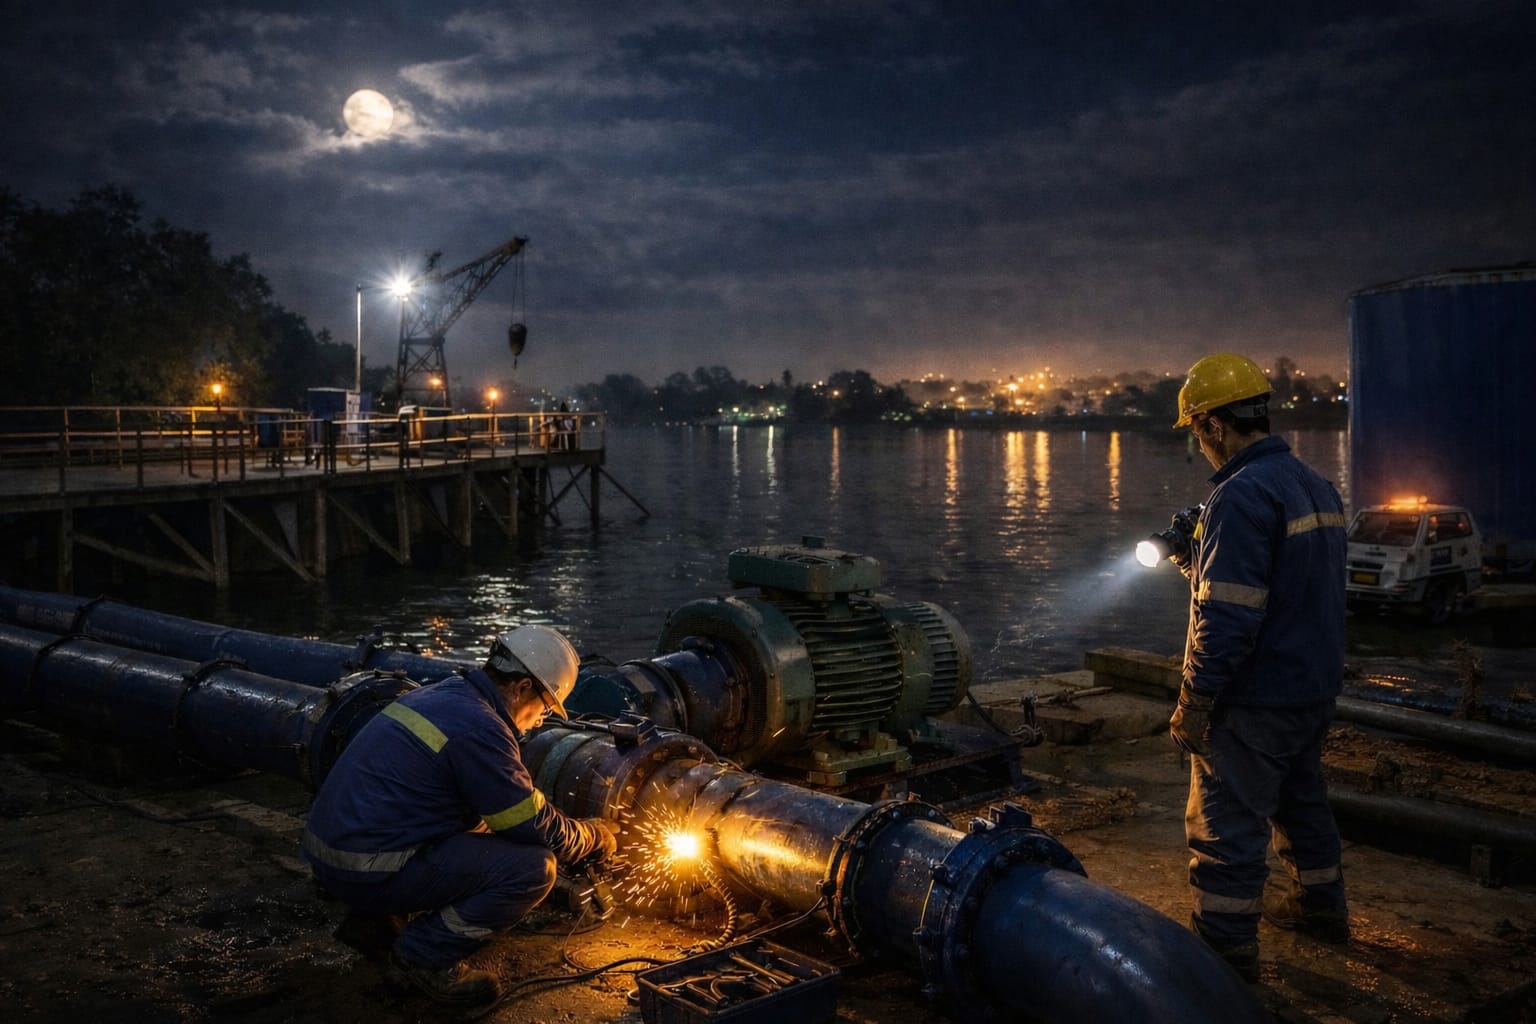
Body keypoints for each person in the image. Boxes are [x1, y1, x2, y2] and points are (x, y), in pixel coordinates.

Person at [300, 626, 619, 1008]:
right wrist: (593, 837)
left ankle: (374, 921)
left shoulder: (444, 694)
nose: (539, 721)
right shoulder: (480, 728)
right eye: (545, 708)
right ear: (520, 688)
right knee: (533, 869)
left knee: (482, 829)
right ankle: (422, 955)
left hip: (331, 854)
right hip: (364, 868)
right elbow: (533, 825)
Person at [1166, 352, 1351, 983]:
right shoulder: (1316, 485)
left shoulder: (1238, 496)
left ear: (1215, 425)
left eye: (1197, 432)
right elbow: (1282, 593)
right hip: (1311, 690)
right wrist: (1193, 561)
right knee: (1302, 804)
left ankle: (1224, 952)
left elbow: (1227, 618)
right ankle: (1323, 909)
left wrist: (1193, 702)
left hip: (1254, 699)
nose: (1200, 446)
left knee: (1225, 826)